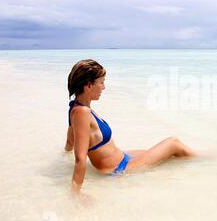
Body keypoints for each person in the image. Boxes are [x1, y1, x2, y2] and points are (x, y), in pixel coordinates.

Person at [65, 59, 197, 196]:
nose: (104, 87)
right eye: (101, 82)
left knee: (168, 155)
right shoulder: (82, 113)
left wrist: (63, 156)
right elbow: (80, 158)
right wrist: (76, 194)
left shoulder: (76, 107)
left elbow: (70, 141)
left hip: (122, 158)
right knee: (173, 143)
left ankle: (199, 161)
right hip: (119, 168)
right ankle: (206, 161)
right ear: (88, 85)